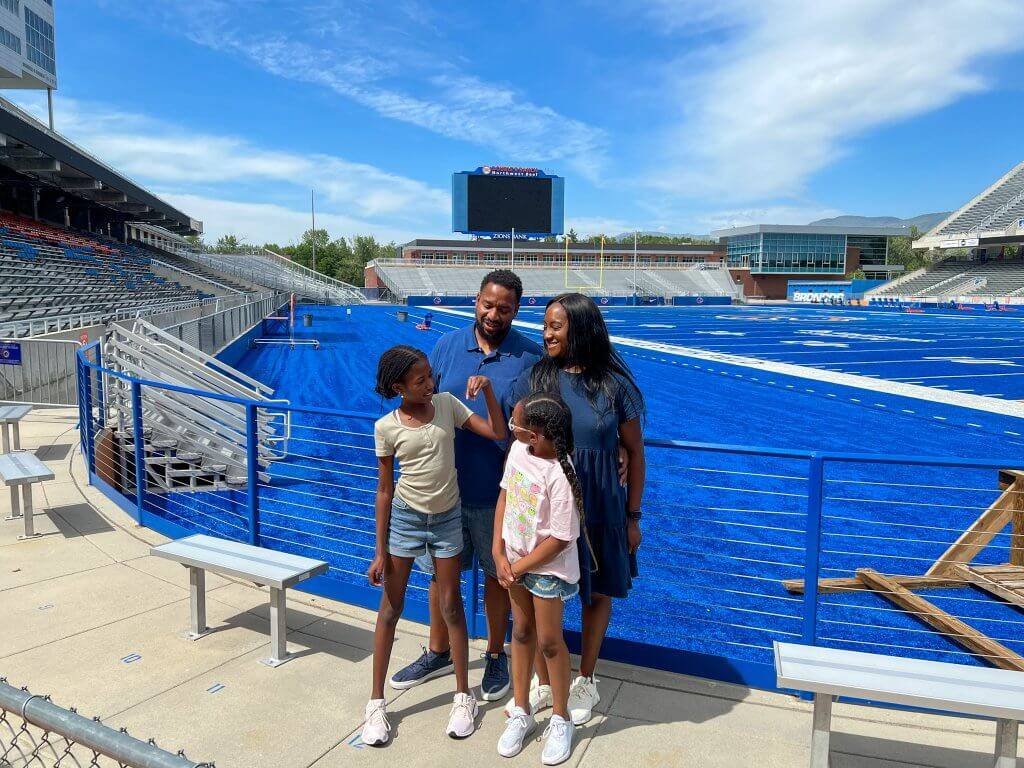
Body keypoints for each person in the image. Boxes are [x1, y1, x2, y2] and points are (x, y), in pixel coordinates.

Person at [389, 270, 541, 702]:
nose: (494, 314)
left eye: (504, 308)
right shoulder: (446, 346)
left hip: (499, 493)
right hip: (444, 492)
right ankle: (439, 649)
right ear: (477, 300)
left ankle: (495, 654)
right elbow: (421, 402)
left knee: (499, 578)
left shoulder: (529, 357)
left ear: (516, 309)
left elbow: (542, 419)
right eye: (488, 305)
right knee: (441, 578)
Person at [505, 292, 646, 726]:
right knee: (545, 592)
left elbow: (636, 453)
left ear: (580, 329)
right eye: (546, 324)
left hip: (602, 502)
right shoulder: (537, 376)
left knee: (598, 591)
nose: (546, 332)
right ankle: (547, 680)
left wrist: (633, 516)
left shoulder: (613, 386)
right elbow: (515, 430)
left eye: (556, 325)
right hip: (549, 509)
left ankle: (586, 676)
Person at [362, 345, 507, 746]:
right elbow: (385, 491)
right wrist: (379, 549)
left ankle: (464, 697)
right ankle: (376, 703)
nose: (430, 384)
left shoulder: (446, 404)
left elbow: (497, 432)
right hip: (406, 522)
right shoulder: (386, 428)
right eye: (420, 380)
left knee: (451, 606)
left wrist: (490, 393)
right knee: (390, 608)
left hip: (447, 520)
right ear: (398, 387)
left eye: (430, 376)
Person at [494, 394, 583, 765]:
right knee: (521, 633)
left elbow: (561, 537)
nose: (513, 428)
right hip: (513, 562)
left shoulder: (562, 474)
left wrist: (519, 566)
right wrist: (499, 552)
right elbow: (504, 498)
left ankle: (561, 718)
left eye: (519, 424)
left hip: (543, 569)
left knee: (549, 642)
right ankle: (522, 708)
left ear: (537, 435)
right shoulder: (517, 451)